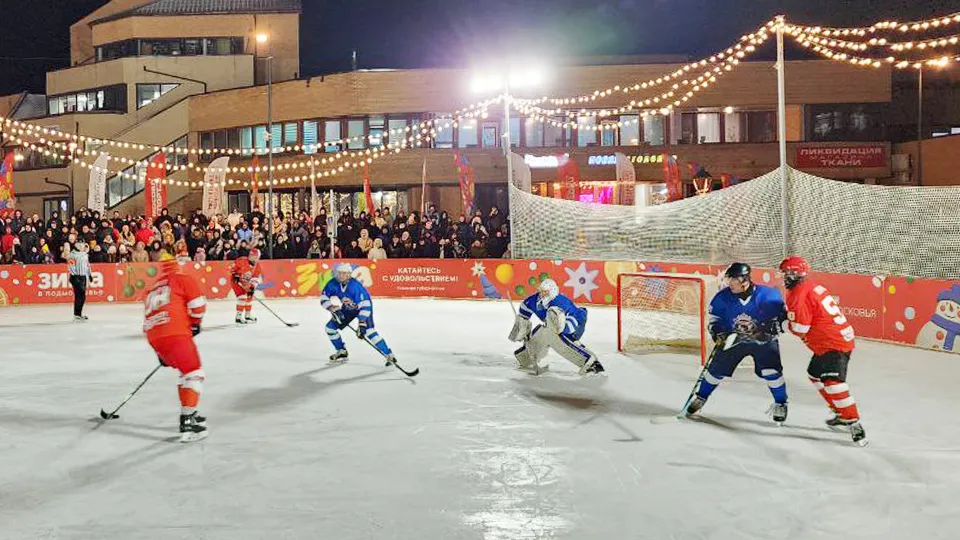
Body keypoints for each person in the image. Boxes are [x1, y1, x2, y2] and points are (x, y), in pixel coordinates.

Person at [684, 263, 789, 423]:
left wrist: (771, 330)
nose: (729, 283)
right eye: (728, 279)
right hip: (734, 340)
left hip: (763, 342)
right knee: (715, 372)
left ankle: (781, 403)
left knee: (771, 373)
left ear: (744, 280)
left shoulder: (768, 295)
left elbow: (783, 321)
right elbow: (715, 320)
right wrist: (718, 332)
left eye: (733, 279)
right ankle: (701, 397)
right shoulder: (722, 297)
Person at [780, 256, 866, 446]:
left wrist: (782, 324)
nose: (785, 276)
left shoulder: (797, 294)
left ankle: (853, 422)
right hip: (834, 339)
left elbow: (801, 328)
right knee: (815, 374)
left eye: (788, 272)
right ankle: (839, 410)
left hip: (832, 343)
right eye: (784, 273)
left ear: (796, 274)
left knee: (833, 382)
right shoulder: (810, 286)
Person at [143, 252, 208, 443]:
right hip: (176, 332)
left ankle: (191, 411)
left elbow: (148, 319)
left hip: (154, 336)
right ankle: (187, 421)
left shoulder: (154, 287)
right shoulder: (182, 279)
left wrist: (160, 351)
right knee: (194, 372)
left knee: (184, 371)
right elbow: (198, 306)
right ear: (177, 265)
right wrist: (194, 324)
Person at [508, 278, 603, 375]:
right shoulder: (534, 300)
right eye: (541, 291)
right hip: (554, 325)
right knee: (544, 333)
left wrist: (564, 332)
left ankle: (591, 363)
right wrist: (522, 326)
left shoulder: (560, 302)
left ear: (552, 291)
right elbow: (525, 309)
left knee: (557, 339)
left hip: (577, 322)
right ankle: (526, 357)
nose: (542, 294)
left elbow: (573, 319)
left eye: (545, 292)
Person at [320, 263, 395, 365]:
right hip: (348, 309)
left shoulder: (355, 286)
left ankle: (389, 354)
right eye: (339, 273)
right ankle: (341, 351)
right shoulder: (333, 283)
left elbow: (365, 304)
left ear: (349, 274)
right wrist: (333, 308)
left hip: (363, 309)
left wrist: (362, 323)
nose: (341, 275)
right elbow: (324, 297)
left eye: (344, 273)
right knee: (330, 328)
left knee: (369, 331)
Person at [230, 248, 262, 324]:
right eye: (253, 256)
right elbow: (233, 268)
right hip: (236, 282)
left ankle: (248, 315)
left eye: (256, 257)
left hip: (247, 283)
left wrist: (252, 287)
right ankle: (238, 317)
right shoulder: (242, 260)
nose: (254, 258)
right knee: (242, 297)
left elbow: (255, 278)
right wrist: (235, 275)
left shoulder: (257, 267)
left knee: (249, 297)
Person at [67, 242, 93, 321]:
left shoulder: (85, 254)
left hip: (83, 276)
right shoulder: (72, 255)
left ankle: (79, 314)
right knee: (78, 295)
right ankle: (76, 315)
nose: (82, 246)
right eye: (80, 245)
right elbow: (71, 266)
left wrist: (89, 274)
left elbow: (87, 265)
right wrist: (74, 276)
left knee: (83, 296)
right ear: (76, 245)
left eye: (83, 245)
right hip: (76, 276)